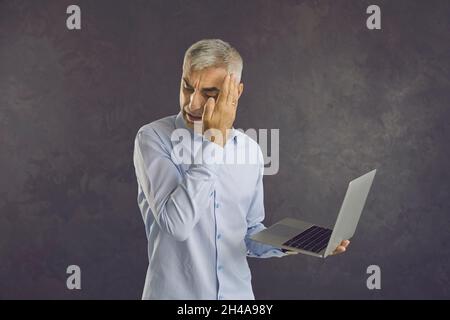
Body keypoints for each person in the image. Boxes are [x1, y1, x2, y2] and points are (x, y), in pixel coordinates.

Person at [133, 39, 350, 300]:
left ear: (235, 93)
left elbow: (247, 233)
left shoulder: (250, 150)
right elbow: (177, 225)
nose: (192, 103)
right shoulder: (152, 138)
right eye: (187, 87)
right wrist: (215, 141)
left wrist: (296, 242)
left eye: (210, 94)